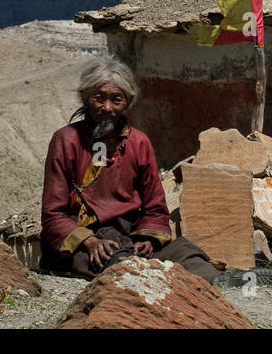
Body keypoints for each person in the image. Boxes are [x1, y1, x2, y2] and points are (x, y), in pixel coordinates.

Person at [40, 56, 220, 282]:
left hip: (129, 236)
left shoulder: (138, 143)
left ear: (128, 102)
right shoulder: (66, 140)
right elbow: (52, 214)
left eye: (116, 99)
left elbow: (156, 208)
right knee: (114, 261)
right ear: (86, 98)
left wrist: (148, 240)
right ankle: (145, 272)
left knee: (184, 251)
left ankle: (222, 280)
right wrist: (89, 241)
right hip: (84, 241)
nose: (107, 108)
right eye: (99, 98)